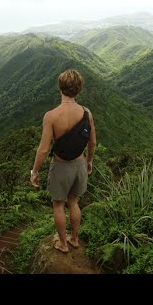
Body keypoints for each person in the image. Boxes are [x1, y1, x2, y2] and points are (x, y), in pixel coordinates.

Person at [30, 69, 97, 253]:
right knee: (74, 202)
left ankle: (63, 243)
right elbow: (92, 142)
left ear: (60, 88)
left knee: (58, 204)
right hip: (80, 165)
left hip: (60, 167)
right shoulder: (86, 113)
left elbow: (43, 149)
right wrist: (89, 162)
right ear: (79, 89)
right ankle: (75, 239)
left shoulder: (51, 116)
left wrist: (34, 171)